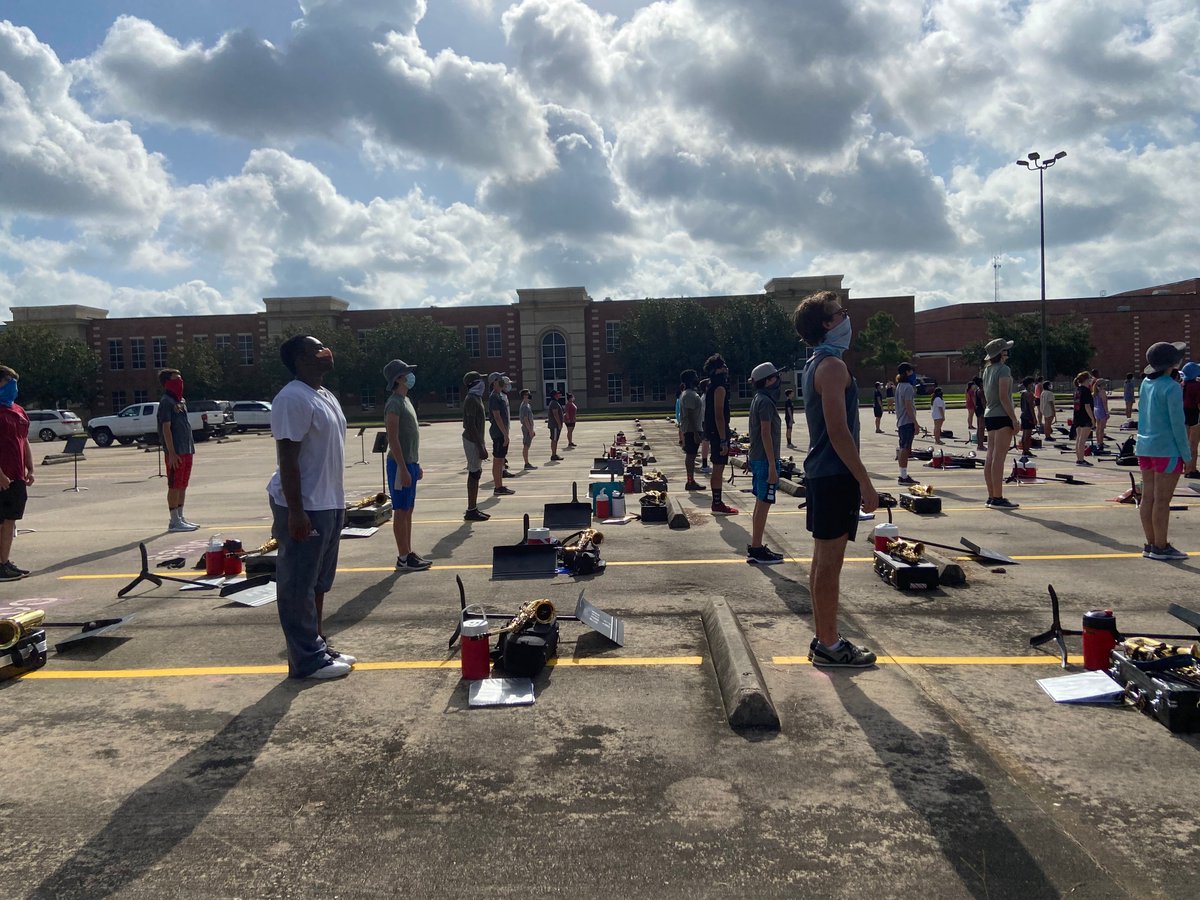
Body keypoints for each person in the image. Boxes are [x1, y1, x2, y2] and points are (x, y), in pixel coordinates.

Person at [793, 291, 879, 667]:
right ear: (826, 324)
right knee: (830, 564)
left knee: (821, 561)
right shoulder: (831, 367)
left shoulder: (817, 363)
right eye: (839, 313)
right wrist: (865, 481)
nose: (846, 319)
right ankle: (829, 644)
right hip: (833, 475)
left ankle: (823, 637)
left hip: (822, 474)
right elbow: (838, 431)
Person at [267, 335, 355, 680]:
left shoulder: (323, 395)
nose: (327, 352)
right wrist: (296, 510)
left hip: (329, 502)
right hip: (305, 504)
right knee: (297, 585)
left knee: (319, 582)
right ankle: (305, 661)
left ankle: (318, 644)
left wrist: (338, 503)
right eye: (318, 349)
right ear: (301, 360)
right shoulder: (291, 398)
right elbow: (287, 457)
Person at [1135, 341, 1190, 561]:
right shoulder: (1172, 387)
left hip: (1145, 447)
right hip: (1167, 449)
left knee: (1148, 497)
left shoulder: (1146, 383)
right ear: (1173, 363)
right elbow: (1178, 424)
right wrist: (1187, 456)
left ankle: (1150, 543)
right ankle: (1162, 545)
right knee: (1162, 500)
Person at [384, 359, 430, 571]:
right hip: (399, 464)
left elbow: (410, 438)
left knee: (409, 509)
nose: (411, 376)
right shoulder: (393, 403)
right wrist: (402, 468)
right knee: (401, 511)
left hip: (410, 462)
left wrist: (415, 464)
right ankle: (402, 557)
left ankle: (409, 552)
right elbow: (393, 439)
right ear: (399, 378)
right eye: (407, 373)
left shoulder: (406, 400)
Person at [746, 362, 784, 564]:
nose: (777, 381)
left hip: (759, 458)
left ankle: (756, 545)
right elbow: (765, 432)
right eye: (775, 377)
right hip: (764, 460)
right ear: (768, 380)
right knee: (764, 503)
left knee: (760, 503)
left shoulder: (758, 399)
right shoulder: (766, 402)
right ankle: (757, 548)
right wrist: (772, 465)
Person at [0, 366, 34, 581]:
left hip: (17, 475)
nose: (13, 386)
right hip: (2, 476)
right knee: (1, 521)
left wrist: (30, 467)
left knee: (11, 520)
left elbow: (24, 440)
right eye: (9, 381)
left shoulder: (19, 410)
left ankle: (4, 561)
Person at [157, 367, 200, 533]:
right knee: (174, 485)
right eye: (176, 379)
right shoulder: (166, 402)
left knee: (183, 484)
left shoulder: (181, 401)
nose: (180, 382)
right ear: (168, 383)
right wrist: (172, 452)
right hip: (176, 451)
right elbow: (166, 428)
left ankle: (181, 517)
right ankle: (173, 520)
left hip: (187, 447)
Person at [981, 338, 1019, 508]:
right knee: (999, 458)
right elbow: (1004, 397)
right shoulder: (1004, 370)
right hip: (1002, 415)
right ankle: (998, 497)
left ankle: (991, 495)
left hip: (990, 414)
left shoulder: (987, 370)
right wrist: (1014, 418)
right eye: (1005, 350)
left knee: (990, 456)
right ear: (1000, 353)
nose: (1008, 353)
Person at [703, 354, 738, 515]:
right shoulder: (719, 388)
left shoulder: (711, 386)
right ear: (716, 370)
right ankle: (717, 503)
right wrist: (723, 440)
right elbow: (719, 415)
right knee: (718, 468)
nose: (725, 368)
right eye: (722, 366)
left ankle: (717, 502)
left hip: (713, 432)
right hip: (718, 434)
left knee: (718, 468)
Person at [460, 371, 490, 522]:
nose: (483, 384)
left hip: (476, 439)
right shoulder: (471, 399)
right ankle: (471, 509)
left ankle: (474, 507)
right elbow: (471, 425)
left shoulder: (476, 398)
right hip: (472, 440)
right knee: (474, 473)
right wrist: (480, 446)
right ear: (473, 384)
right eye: (480, 381)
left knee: (476, 472)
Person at [487, 372, 514, 495]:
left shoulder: (499, 395)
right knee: (498, 460)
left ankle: (500, 485)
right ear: (494, 382)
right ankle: (498, 487)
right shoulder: (494, 397)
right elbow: (497, 417)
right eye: (500, 379)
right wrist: (505, 434)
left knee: (501, 459)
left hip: (502, 432)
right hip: (499, 433)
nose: (503, 381)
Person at [678, 369, 705, 491]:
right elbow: (689, 415)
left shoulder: (690, 393)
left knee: (692, 456)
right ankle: (690, 481)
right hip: (691, 430)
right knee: (691, 456)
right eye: (695, 376)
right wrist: (695, 433)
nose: (697, 378)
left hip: (693, 429)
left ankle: (691, 480)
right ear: (690, 380)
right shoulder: (688, 394)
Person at [894, 362, 918, 486]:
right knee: (905, 448)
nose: (912, 373)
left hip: (901, 421)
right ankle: (903, 476)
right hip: (906, 421)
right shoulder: (907, 387)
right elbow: (908, 406)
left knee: (905, 447)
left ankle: (903, 474)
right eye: (911, 371)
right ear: (907, 372)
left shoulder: (899, 386)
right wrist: (916, 423)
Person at [1072, 371, 1096, 465]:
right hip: (1085, 417)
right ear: (1086, 380)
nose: (1091, 380)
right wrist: (1092, 419)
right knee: (1082, 440)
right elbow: (1087, 406)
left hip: (1077, 416)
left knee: (1078, 439)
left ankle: (1079, 458)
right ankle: (1081, 459)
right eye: (1089, 378)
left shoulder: (1077, 390)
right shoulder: (1086, 391)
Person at [1182, 361, 1200, 479]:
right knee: (1193, 445)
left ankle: (1185, 467)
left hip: (1184, 416)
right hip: (1195, 416)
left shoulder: (1182, 384)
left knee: (1186, 444)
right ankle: (1191, 469)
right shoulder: (1197, 386)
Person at [518, 389, 537, 470]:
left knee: (527, 445)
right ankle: (526, 463)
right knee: (526, 445)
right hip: (526, 428)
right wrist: (530, 431)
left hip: (529, 427)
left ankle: (527, 463)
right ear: (524, 396)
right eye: (527, 394)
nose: (529, 395)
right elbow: (526, 419)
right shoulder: (525, 406)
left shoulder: (527, 405)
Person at [1019, 377, 1037, 456]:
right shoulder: (1029, 394)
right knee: (1027, 435)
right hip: (1028, 415)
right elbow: (1031, 407)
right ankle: (1026, 450)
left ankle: (1025, 450)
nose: (1033, 385)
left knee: (1024, 434)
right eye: (1032, 384)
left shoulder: (1023, 393)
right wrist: (1034, 418)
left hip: (1023, 414)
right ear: (1029, 384)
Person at [547, 389, 565, 461]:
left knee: (555, 439)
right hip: (554, 425)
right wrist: (559, 424)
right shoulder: (554, 403)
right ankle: (553, 455)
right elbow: (555, 414)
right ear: (554, 395)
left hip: (555, 425)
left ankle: (554, 454)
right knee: (554, 440)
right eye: (557, 394)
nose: (559, 395)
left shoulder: (555, 402)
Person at [1093, 378, 1111, 450]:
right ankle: (1100, 443)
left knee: (1098, 427)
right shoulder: (1102, 392)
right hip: (1101, 410)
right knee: (1102, 428)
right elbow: (1104, 403)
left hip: (1096, 410)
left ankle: (1098, 442)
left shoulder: (1095, 392)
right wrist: (1107, 412)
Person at [972, 376, 986, 450]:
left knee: (979, 428)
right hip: (981, 410)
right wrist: (986, 410)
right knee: (981, 428)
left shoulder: (976, 390)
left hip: (977, 409)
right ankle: (980, 445)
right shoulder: (981, 391)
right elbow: (983, 402)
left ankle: (979, 445)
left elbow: (974, 401)